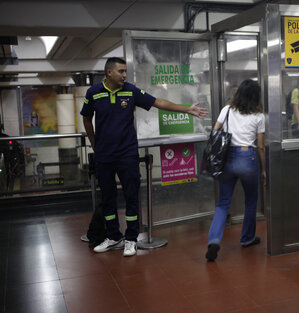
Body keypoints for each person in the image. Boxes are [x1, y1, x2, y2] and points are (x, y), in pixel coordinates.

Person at [81, 57, 207, 257]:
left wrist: (186, 109)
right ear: (109, 73)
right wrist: (95, 144)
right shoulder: (93, 93)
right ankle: (113, 236)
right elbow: (86, 118)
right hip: (104, 155)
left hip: (127, 154)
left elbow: (158, 102)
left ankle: (131, 239)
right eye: (121, 71)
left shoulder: (131, 91)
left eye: (125, 71)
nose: (124, 75)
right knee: (108, 197)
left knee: (132, 196)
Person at [205, 79, 266, 262]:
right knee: (251, 201)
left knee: (223, 203)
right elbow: (261, 146)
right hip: (248, 158)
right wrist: (263, 170)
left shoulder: (227, 110)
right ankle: (247, 238)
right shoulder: (259, 116)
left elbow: (215, 132)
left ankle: (214, 240)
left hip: (227, 159)